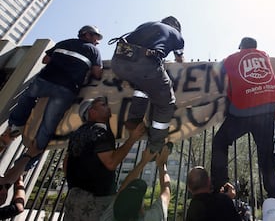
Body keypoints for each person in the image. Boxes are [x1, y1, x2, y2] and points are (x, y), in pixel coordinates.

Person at [0, 25, 104, 188]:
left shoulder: (64, 42)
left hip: (45, 81)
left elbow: (45, 60)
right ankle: (27, 160)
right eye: (96, 37)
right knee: (48, 126)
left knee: (27, 99)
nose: (97, 41)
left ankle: (15, 127)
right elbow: (98, 73)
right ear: (87, 35)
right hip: (65, 90)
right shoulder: (93, 51)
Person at [210, 37, 275, 201]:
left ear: (241, 48)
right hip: (267, 110)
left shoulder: (232, 58)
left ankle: (220, 185)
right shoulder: (264, 55)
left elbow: (216, 71)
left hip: (243, 111)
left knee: (220, 142)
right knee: (267, 154)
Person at [63, 96, 146, 221]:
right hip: (95, 201)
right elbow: (111, 163)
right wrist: (132, 138)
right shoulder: (100, 131)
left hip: (74, 198)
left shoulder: (78, 133)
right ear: (92, 112)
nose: (108, 107)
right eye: (102, 105)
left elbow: (66, 162)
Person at [111, 16, 184, 154]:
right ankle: (155, 145)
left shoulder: (147, 25)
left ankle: (134, 121)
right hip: (144, 63)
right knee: (166, 104)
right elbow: (179, 59)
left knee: (142, 88)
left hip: (119, 60)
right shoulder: (176, 35)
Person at [100, 144, 172, 221]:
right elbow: (166, 193)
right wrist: (162, 164)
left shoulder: (109, 217)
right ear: (141, 210)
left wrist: (143, 162)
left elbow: (122, 190)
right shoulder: (152, 218)